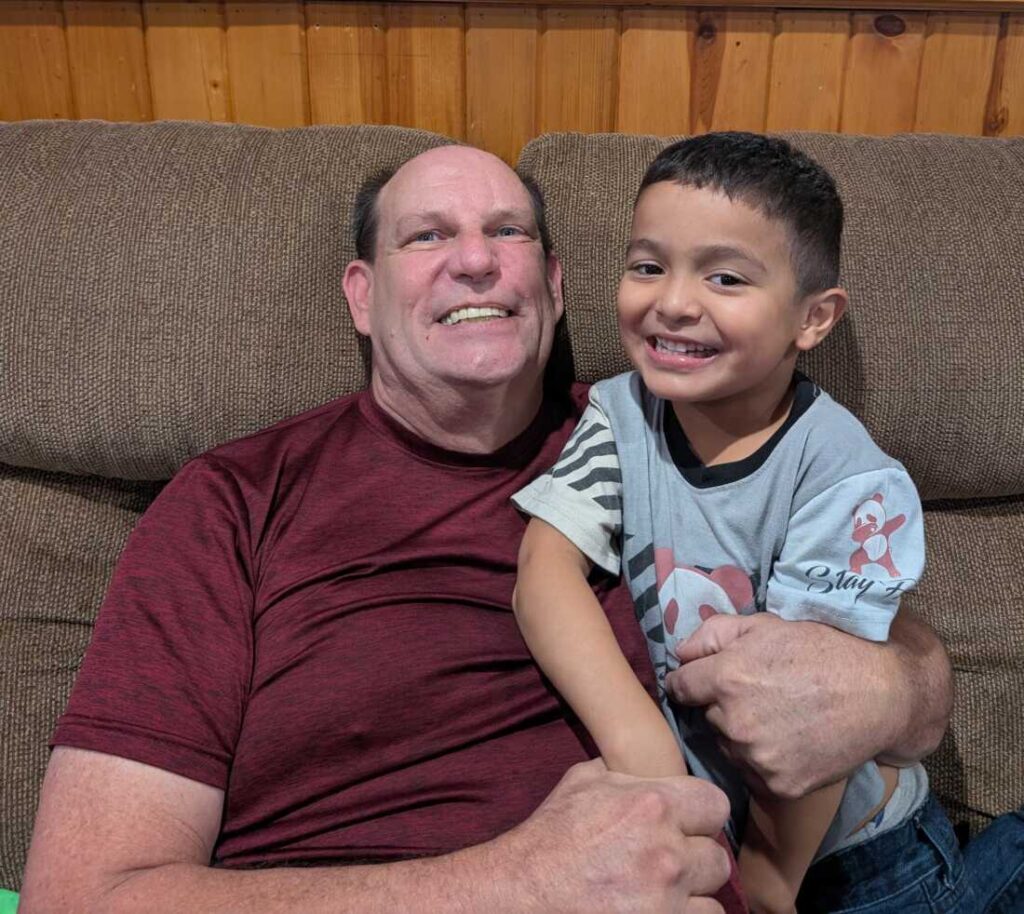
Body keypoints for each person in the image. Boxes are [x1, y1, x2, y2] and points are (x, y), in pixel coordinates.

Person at [19, 144, 953, 914]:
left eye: (508, 232)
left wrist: (895, 686)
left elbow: (851, 618)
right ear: (360, 294)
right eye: (427, 235)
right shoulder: (235, 501)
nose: (474, 260)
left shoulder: (666, 434)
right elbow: (80, 898)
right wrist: (512, 887)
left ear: (553, 284)